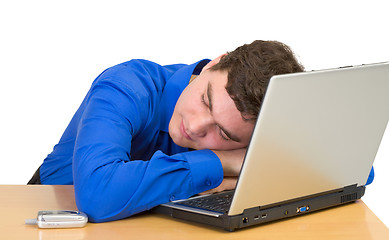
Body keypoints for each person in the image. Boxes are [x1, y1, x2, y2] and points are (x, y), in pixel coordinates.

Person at [27, 40, 373, 223]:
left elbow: (353, 170)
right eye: (206, 100)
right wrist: (224, 163)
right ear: (212, 64)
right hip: (53, 218)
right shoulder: (128, 85)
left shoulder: (259, 125)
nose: (193, 127)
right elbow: (98, 195)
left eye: (223, 135)